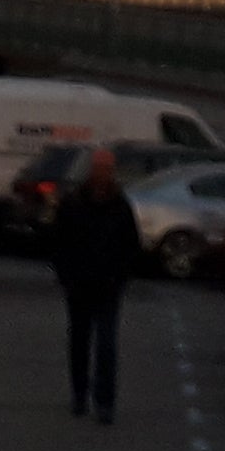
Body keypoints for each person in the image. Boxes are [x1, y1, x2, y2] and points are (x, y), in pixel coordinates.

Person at [46, 148, 139, 424]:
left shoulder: (120, 205)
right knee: (79, 342)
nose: (102, 173)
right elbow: (58, 241)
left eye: (107, 168)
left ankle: (105, 401)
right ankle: (79, 394)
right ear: (91, 170)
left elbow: (131, 246)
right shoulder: (74, 202)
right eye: (99, 168)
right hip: (79, 285)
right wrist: (65, 275)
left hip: (109, 287)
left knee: (107, 344)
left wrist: (121, 276)